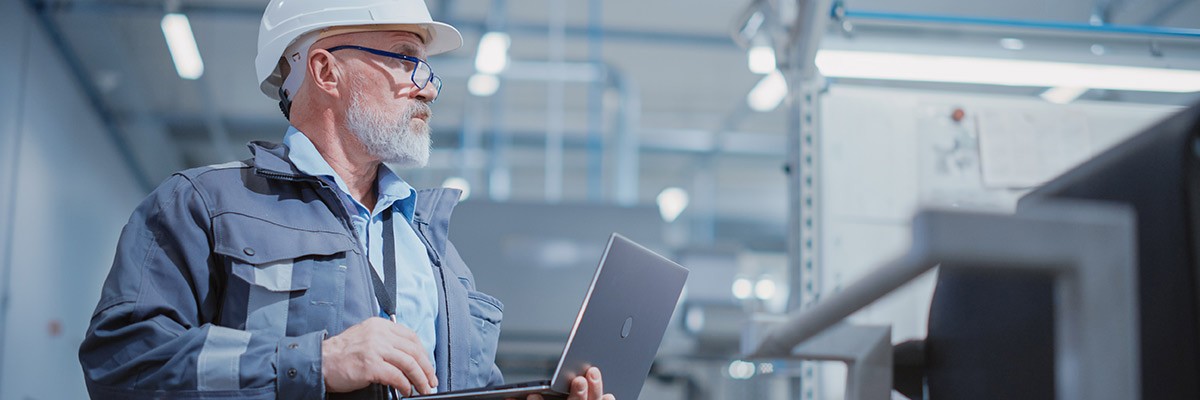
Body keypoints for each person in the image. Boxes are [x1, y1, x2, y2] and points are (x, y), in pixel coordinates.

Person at [78, 1, 614, 399]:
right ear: (326, 71)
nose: (427, 86)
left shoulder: (435, 253)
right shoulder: (204, 206)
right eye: (405, 58)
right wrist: (316, 361)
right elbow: (124, 364)